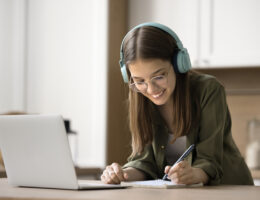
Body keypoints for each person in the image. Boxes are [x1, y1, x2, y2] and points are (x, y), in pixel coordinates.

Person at [101, 22, 254, 185]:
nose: (151, 89)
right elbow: (144, 162)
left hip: (230, 190)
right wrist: (121, 174)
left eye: (159, 76)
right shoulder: (140, 96)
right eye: (140, 81)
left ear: (178, 64)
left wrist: (194, 174)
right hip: (184, 192)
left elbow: (210, 161)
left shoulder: (208, 89)